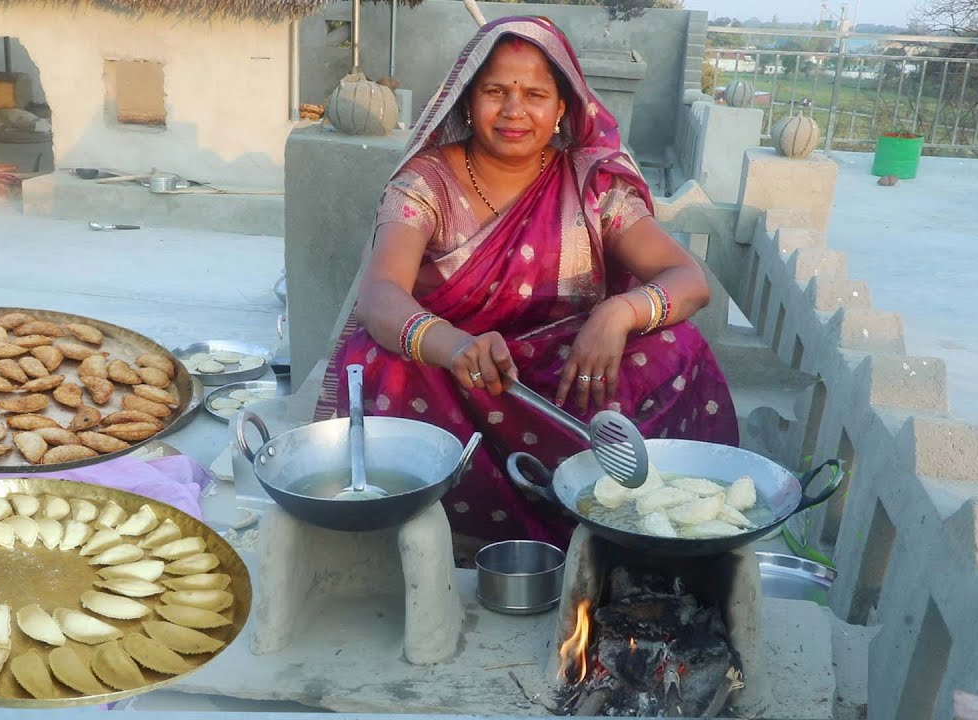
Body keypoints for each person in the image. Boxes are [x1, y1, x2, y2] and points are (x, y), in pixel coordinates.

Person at [314, 16, 739, 554]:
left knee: (679, 347)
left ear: (563, 108)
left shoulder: (591, 182)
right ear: (468, 101)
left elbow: (688, 280)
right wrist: (457, 346)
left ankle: (645, 523)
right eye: (496, 91)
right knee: (380, 361)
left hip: (569, 373)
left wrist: (617, 315)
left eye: (536, 94)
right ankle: (450, 535)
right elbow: (380, 296)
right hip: (464, 372)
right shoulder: (426, 181)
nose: (515, 110)